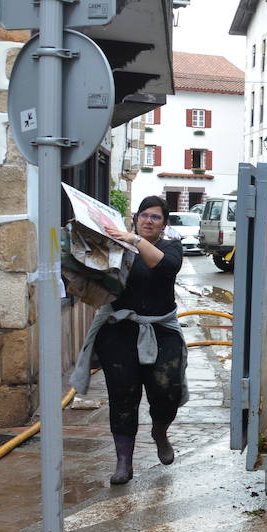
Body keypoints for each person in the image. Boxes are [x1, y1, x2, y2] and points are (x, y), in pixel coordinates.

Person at [70, 195, 188, 486]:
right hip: (119, 330)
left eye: (155, 217)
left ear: (164, 224)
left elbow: (164, 266)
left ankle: (160, 431)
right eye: (144, 215)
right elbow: (90, 269)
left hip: (161, 331)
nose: (148, 220)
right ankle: (124, 462)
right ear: (135, 217)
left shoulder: (170, 247)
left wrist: (134, 240)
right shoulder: (116, 247)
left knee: (167, 392)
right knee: (122, 397)